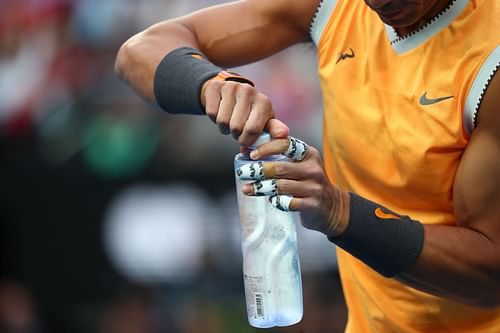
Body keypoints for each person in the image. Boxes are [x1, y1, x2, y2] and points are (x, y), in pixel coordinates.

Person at [115, 0, 500, 331]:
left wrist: (342, 213)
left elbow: (490, 276)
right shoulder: (332, 7)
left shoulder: (491, 61)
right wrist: (214, 85)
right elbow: (138, 52)